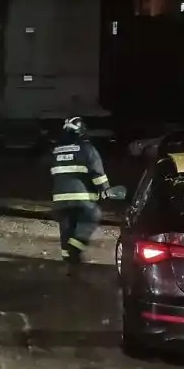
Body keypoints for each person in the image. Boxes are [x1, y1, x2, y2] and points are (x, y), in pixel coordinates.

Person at [49, 116, 110, 276]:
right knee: (92, 217)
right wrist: (105, 190)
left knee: (66, 230)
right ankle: (75, 249)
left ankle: (69, 264)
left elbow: (49, 172)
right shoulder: (87, 149)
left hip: (60, 200)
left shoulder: (56, 150)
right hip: (83, 199)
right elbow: (98, 173)